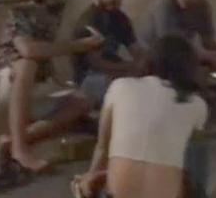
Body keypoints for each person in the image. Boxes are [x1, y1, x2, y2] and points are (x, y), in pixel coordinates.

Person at [0, 0, 103, 172]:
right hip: (2, 85)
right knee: (27, 63)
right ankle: (20, 150)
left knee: (82, 100)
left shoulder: (54, 18)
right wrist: (79, 45)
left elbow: (47, 58)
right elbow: (27, 50)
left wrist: (62, 85)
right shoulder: (21, 13)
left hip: (33, 88)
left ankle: (12, 140)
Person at [71, 36, 208, 198]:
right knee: (195, 150)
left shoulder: (120, 86)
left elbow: (102, 147)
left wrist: (89, 180)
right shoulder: (197, 104)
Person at [72, 0, 148, 107]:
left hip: (116, 71)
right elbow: (96, 63)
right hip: (89, 77)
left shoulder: (120, 18)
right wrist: (131, 67)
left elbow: (135, 49)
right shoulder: (89, 21)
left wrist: (144, 62)